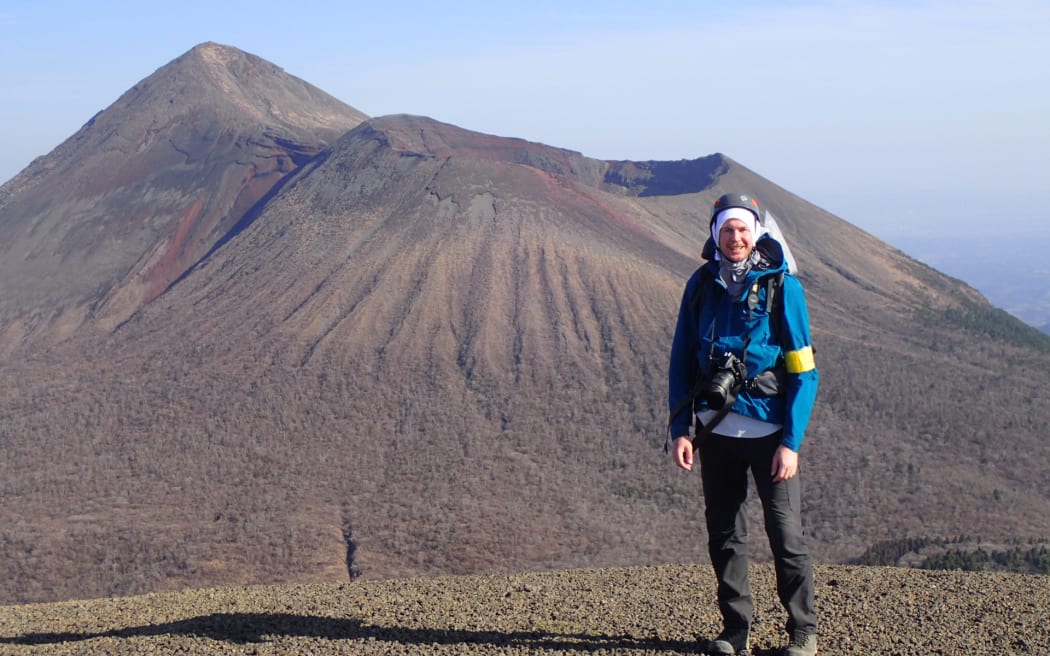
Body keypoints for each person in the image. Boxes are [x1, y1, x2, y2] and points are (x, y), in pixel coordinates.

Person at [667, 192, 819, 656]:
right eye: (727, 230)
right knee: (726, 534)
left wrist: (790, 442)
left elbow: (804, 372)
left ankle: (803, 632)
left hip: (770, 433)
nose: (736, 237)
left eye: (743, 229)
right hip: (715, 433)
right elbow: (680, 362)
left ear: (756, 234)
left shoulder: (781, 287)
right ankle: (735, 629)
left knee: (785, 534)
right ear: (715, 234)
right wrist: (680, 429)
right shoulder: (700, 286)